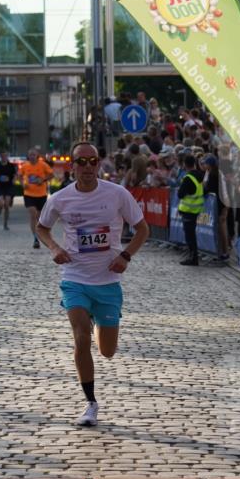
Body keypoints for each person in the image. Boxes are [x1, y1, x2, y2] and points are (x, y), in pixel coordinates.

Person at [36, 141, 150, 427]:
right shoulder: (60, 199)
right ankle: (90, 403)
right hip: (75, 279)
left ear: (99, 164)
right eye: (81, 162)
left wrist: (125, 255)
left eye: (93, 161)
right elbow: (42, 227)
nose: (87, 167)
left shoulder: (117, 194)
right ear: (71, 165)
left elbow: (142, 229)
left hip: (108, 281)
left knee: (107, 351)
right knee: (80, 335)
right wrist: (54, 248)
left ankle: (101, 321)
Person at [19, 148, 54, 248]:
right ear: (28, 156)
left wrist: (42, 180)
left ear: (37, 155)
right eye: (30, 155)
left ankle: (40, 235)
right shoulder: (25, 166)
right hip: (28, 194)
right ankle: (35, 238)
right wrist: (22, 184)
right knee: (32, 214)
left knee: (39, 217)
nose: (32, 156)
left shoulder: (43, 165)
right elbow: (19, 176)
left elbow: (51, 175)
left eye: (34, 155)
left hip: (41, 194)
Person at [177, 153, 204, 265]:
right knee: (191, 234)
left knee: (190, 236)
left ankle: (193, 258)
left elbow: (180, 194)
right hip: (196, 209)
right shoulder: (200, 175)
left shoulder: (188, 178)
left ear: (185, 164)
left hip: (188, 210)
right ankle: (193, 257)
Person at [0, 151, 17, 229]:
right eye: (2, 156)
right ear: (0, 156)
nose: (4, 157)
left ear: (7, 156)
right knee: (1, 204)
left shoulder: (11, 166)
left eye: (5, 156)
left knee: (6, 205)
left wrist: (13, 181)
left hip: (8, 187)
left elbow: (15, 175)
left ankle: (5, 224)